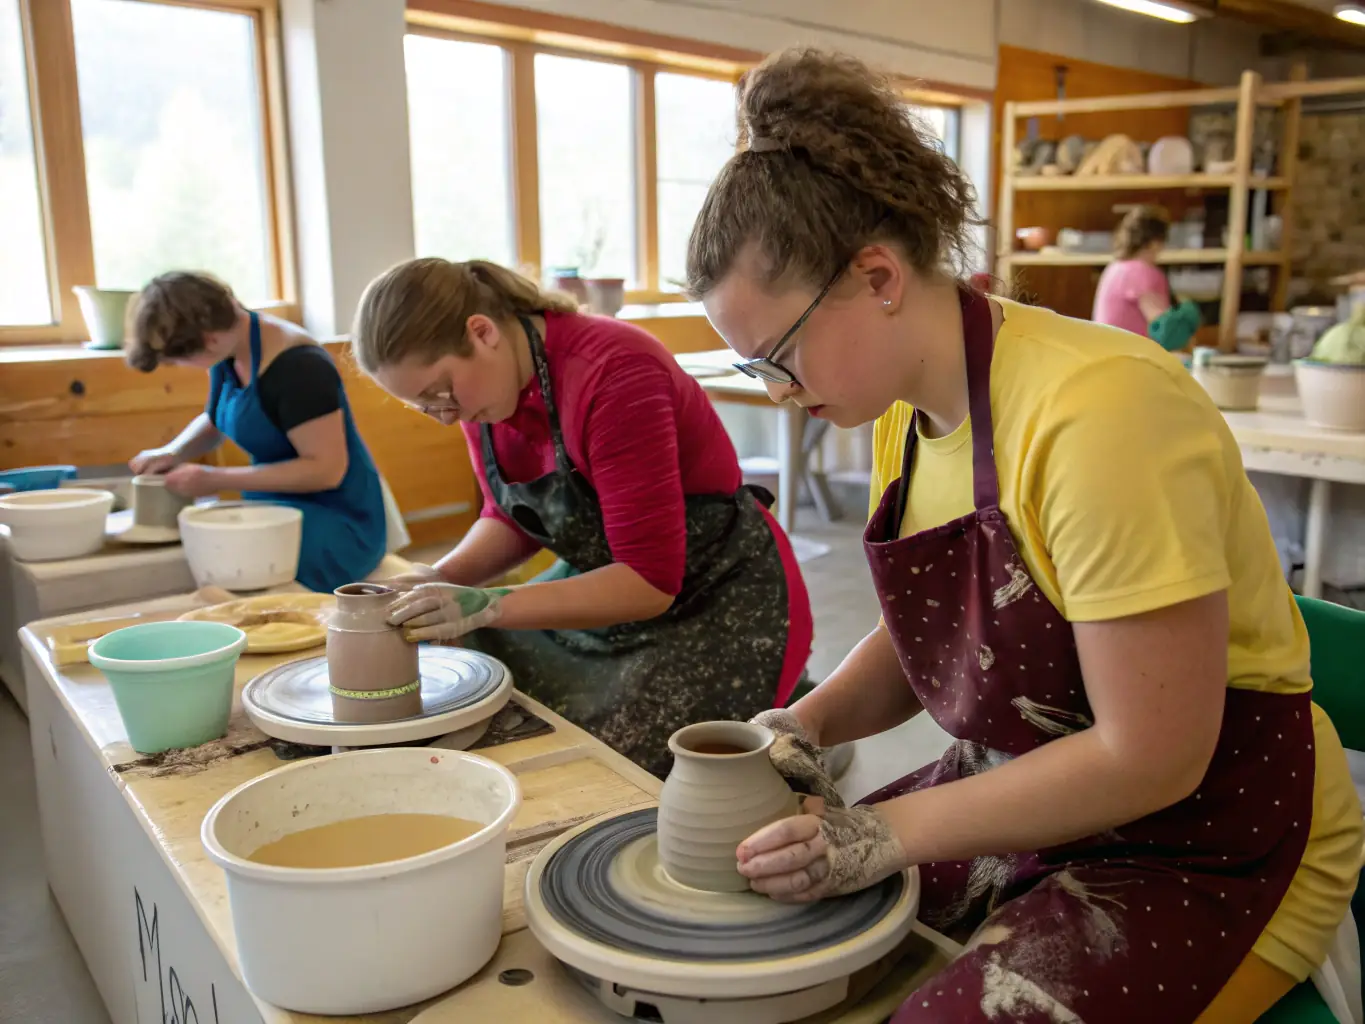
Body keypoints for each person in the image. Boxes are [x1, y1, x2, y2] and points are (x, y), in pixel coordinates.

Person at [687, 47, 1362, 1023]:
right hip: (1031, 782)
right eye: (756, 370)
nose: (781, 396)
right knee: (780, 940)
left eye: (776, 358)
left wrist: (888, 830)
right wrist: (811, 721)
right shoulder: (899, 416)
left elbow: (1154, 755)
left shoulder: (1101, 414)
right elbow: (950, 629)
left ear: (877, 275)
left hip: (1209, 827)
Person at [349, 257, 812, 777]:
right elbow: (511, 519)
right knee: (473, 681)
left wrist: (489, 604)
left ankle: (796, 718)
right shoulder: (481, 394)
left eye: (441, 395)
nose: (445, 417)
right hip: (604, 584)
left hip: (715, 593)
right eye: (425, 408)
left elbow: (648, 582)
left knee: (608, 768)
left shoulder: (614, 372)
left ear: (481, 333)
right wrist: (441, 579)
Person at [126, 271, 387, 593]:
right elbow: (216, 418)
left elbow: (326, 470)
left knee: (236, 582)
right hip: (271, 505)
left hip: (335, 520)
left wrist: (213, 478)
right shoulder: (230, 352)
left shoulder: (300, 368)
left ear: (209, 339)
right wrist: (172, 451)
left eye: (180, 359)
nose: (181, 367)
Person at [1092, 204, 1173, 334]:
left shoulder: (1114, 267)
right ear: (1154, 243)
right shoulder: (1141, 272)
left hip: (1106, 349)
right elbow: (1163, 325)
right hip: (1129, 352)